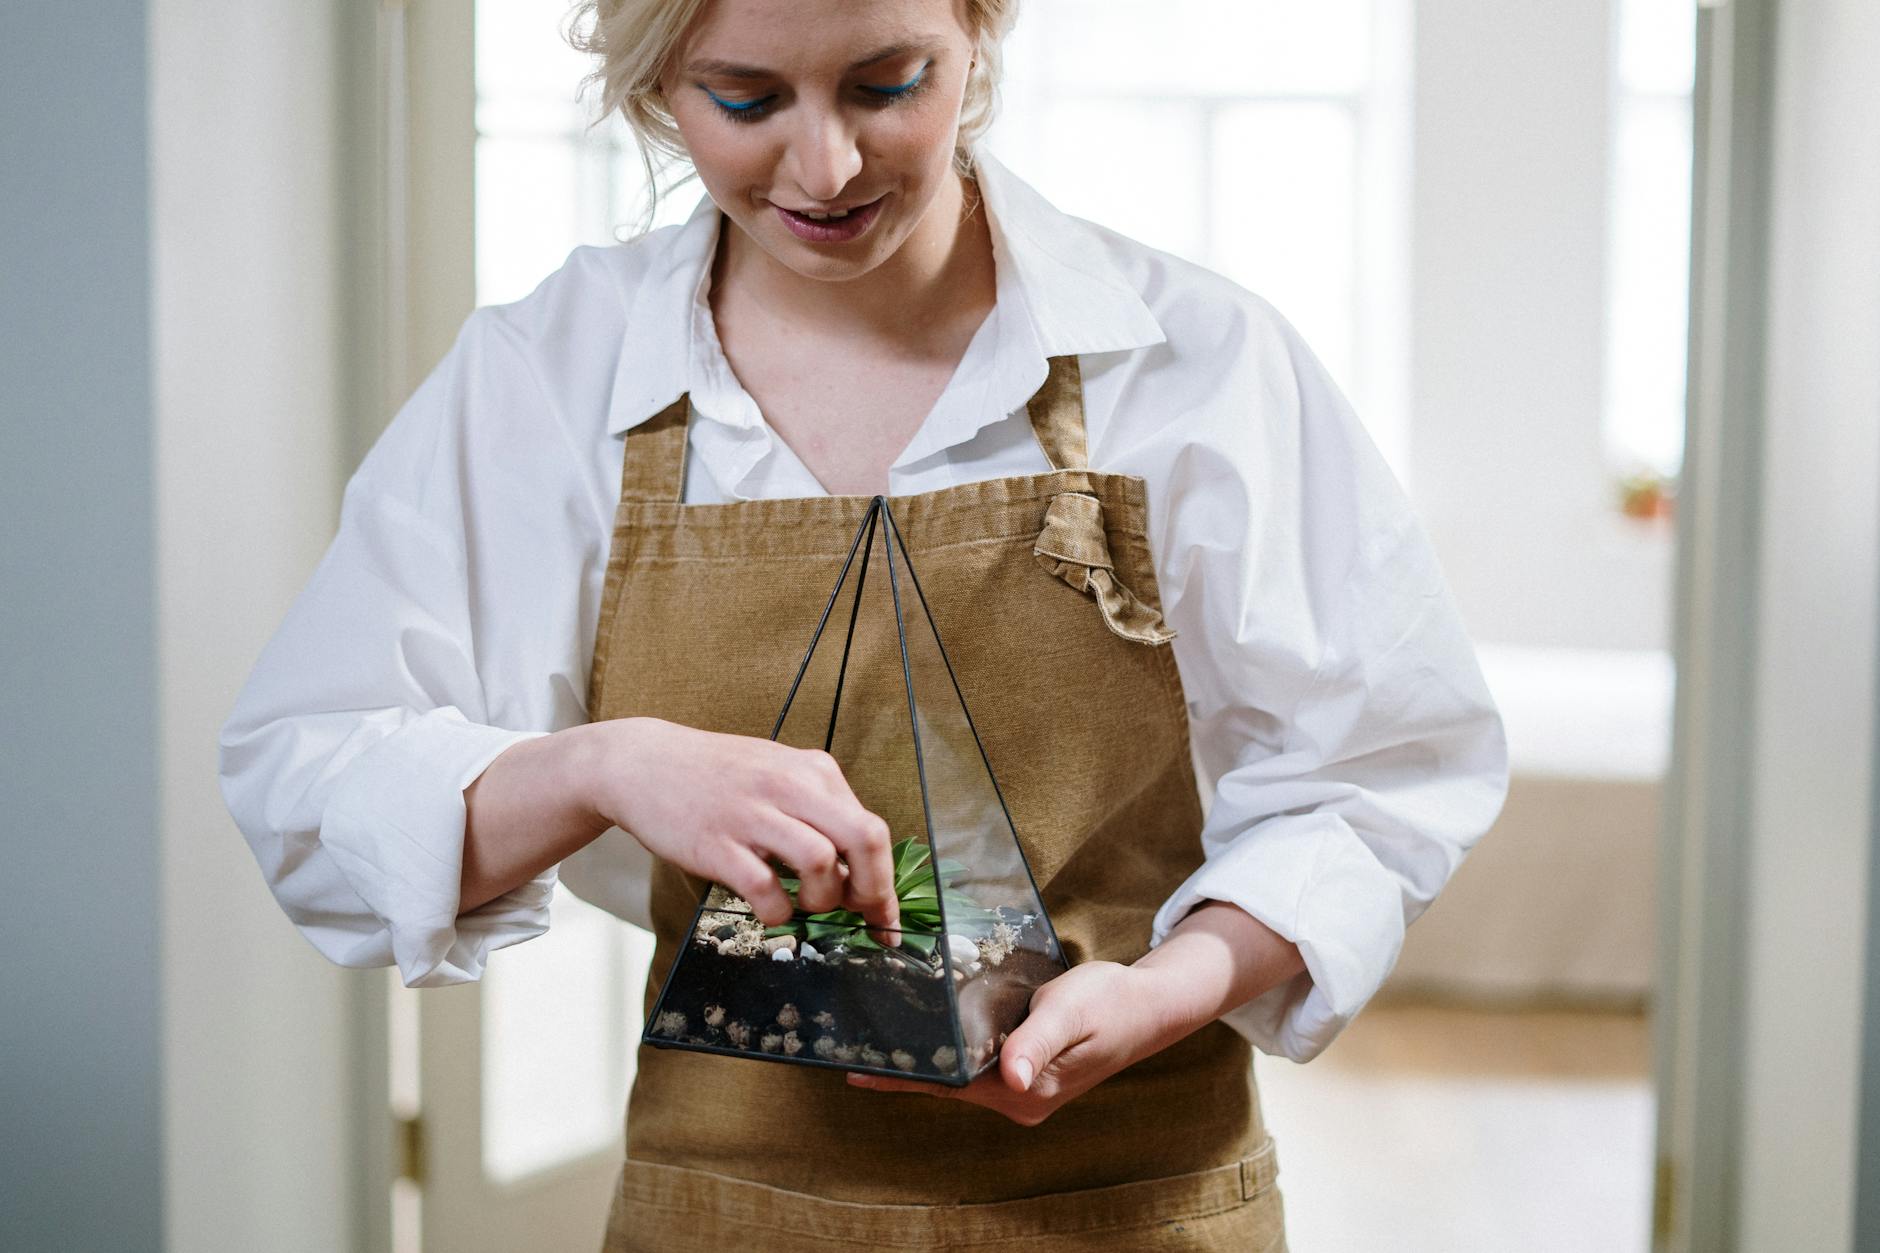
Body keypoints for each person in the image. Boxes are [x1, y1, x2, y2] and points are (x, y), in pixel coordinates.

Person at [219, 0, 1510, 1247]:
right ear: (658, 79)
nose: (827, 165)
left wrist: (1169, 988)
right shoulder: (550, 374)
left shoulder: (1195, 363)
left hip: (1141, 1203)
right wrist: (606, 762)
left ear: (981, 31)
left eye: (889, 84)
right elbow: (310, 780)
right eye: (745, 98)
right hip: (723, 1212)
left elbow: (1375, 775)